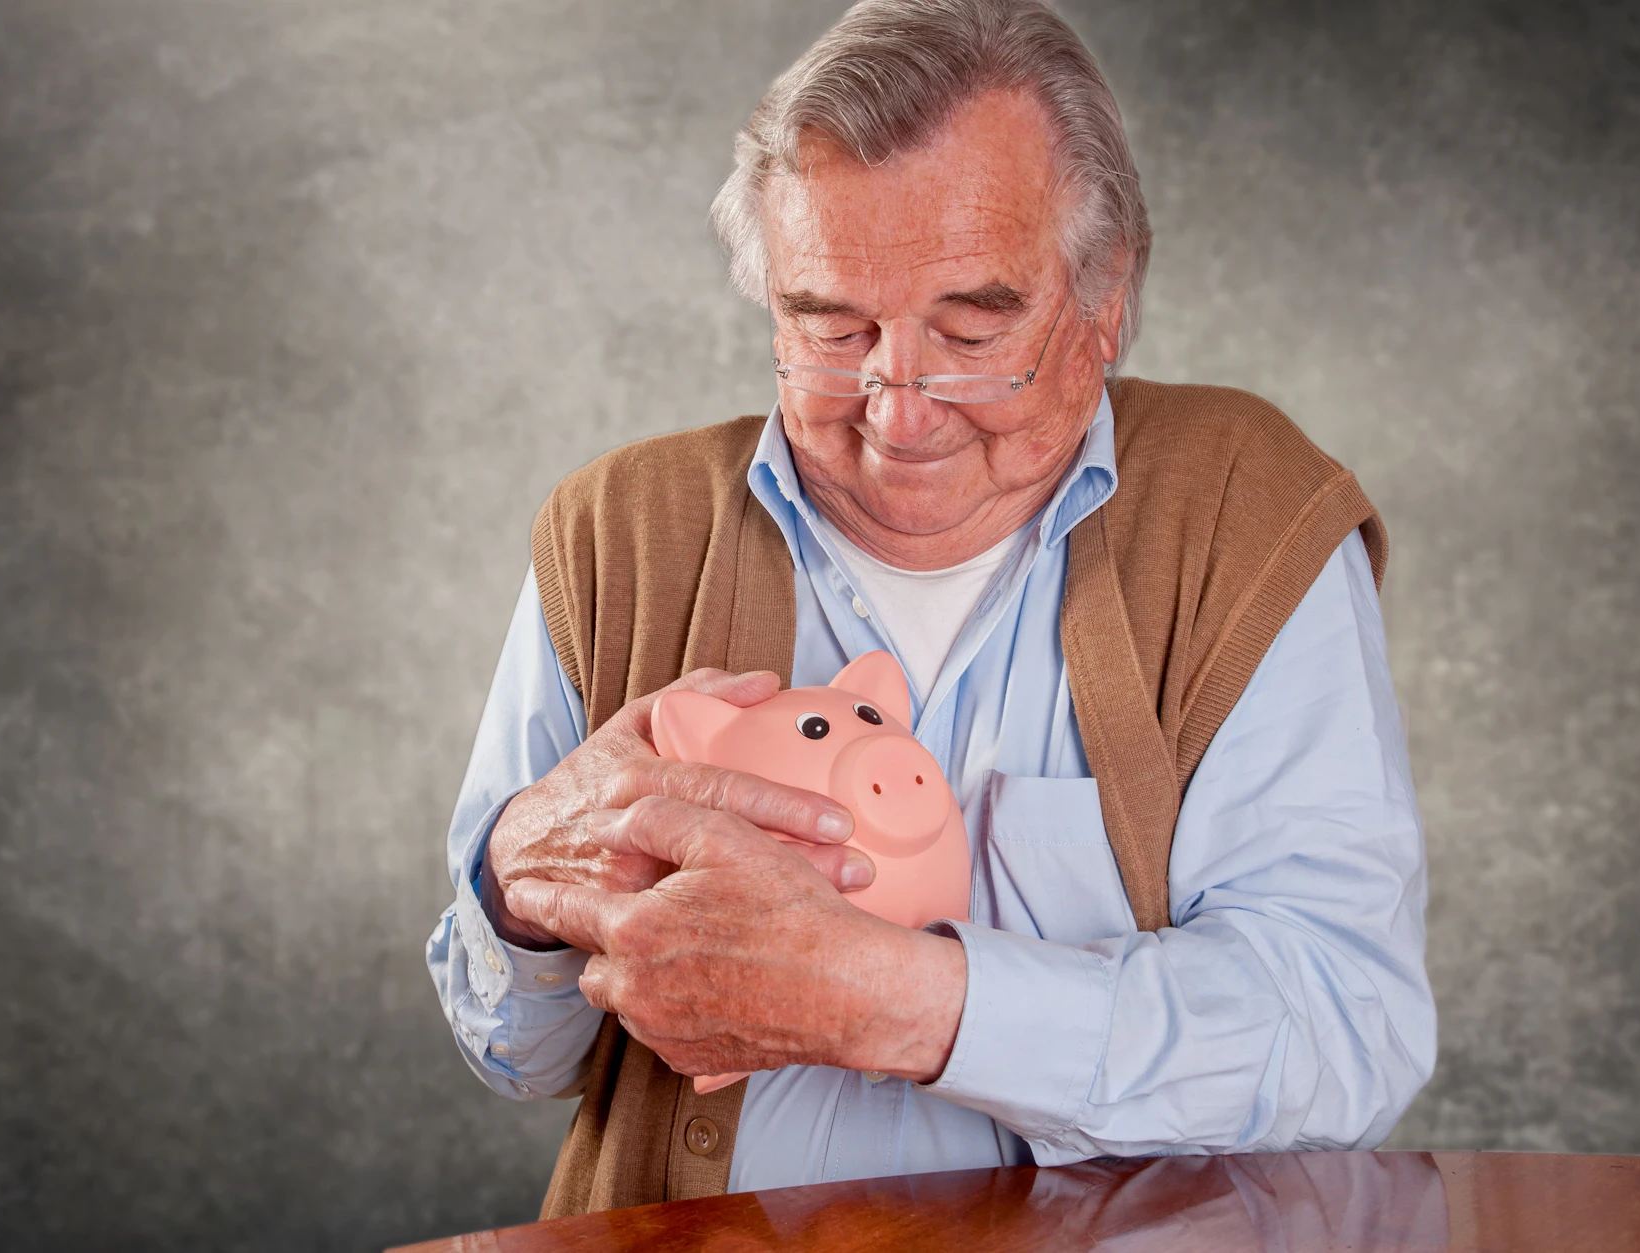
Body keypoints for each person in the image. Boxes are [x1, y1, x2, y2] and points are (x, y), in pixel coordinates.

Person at [427, 0, 1434, 1218]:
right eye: (830, 328)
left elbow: (1342, 1031)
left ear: (1104, 294)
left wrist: (899, 1000)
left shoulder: (1245, 512)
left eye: (970, 328)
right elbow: (518, 1056)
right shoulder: (615, 534)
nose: (898, 411)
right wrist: (512, 887)